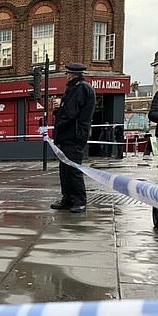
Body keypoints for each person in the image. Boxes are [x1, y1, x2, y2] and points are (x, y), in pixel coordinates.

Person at [50, 62, 96, 213]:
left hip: (74, 134)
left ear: (71, 75)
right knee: (64, 169)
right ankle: (67, 198)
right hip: (68, 134)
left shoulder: (80, 88)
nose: (66, 77)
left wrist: (60, 119)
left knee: (73, 169)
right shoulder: (74, 88)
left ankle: (79, 200)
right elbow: (68, 111)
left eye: (67, 74)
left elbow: (71, 112)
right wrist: (58, 110)